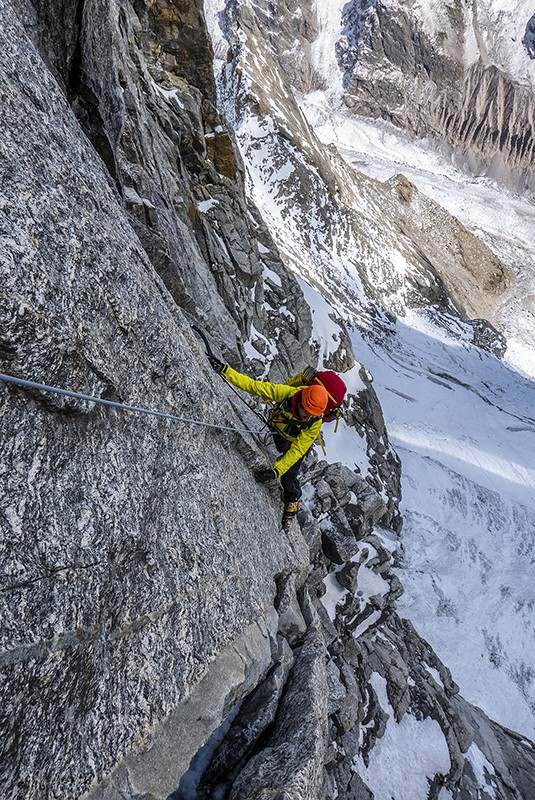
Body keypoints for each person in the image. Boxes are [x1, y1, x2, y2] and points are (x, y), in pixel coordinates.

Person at [208, 357, 328, 525]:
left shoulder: (314, 422)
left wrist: (275, 472)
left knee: (289, 476)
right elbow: (255, 387)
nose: (308, 417)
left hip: (294, 441)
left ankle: (292, 499)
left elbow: (298, 450)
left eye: (312, 415)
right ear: (300, 400)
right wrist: (226, 371)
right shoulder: (287, 394)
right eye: (306, 412)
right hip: (280, 431)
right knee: (280, 447)